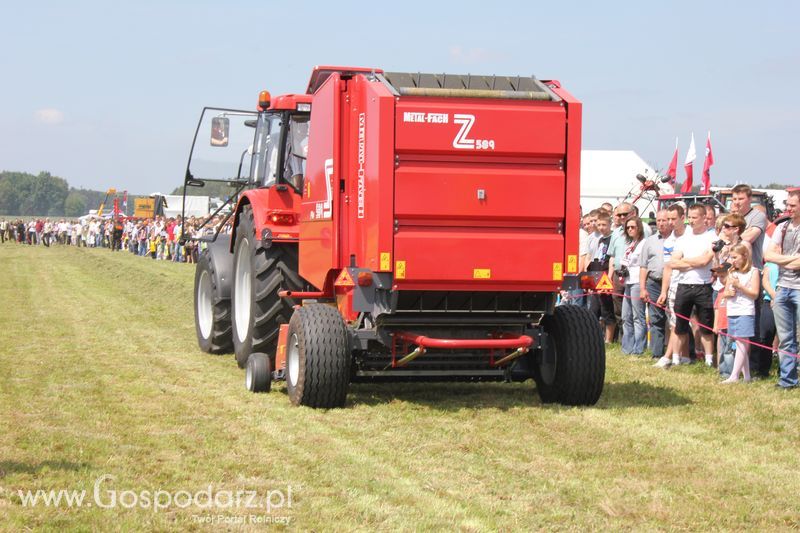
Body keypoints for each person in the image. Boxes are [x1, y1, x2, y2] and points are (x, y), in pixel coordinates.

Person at [667, 204, 717, 366]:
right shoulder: (682, 239)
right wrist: (695, 263)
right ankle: (676, 358)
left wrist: (685, 261)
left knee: (706, 326)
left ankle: (708, 360)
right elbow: (673, 263)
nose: (691, 221)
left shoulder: (711, 238)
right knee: (679, 325)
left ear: (704, 218)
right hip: (684, 285)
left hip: (703, 285)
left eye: (695, 217)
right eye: (690, 217)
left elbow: (705, 261)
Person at [764, 190, 800, 389]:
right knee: (786, 338)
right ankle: (788, 380)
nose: (788, 209)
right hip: (782, 287)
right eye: (787, 205)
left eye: (793, 205)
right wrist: (791, 260)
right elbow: (768, 256)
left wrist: (781, 259)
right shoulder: (782, 227)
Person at [721, 244, 760, 383]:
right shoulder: (732, 272)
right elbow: (725, 293)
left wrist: (740, 287)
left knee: (742, 342)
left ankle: (734, 375)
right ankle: (747, 376)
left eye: (735, 257)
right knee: (738, 342)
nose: (733, 261)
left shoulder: (753, 272)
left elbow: (754, 294)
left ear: (744, 256)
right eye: (731, 258)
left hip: (745, 310)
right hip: (733, 310)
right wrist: (729, 293)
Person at [613, 216, 647, 354]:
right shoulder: (631, 243)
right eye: (628, 227)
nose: (630, 229)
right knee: (626, 316)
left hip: (637, 281)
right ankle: (627, 347)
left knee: (637, 317)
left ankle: (639, 348)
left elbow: (643, 264)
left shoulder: (643, 243)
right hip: (627, 281)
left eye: (633, 227)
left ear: (639, 228)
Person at [639, 210, 670, 358]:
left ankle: (681, 354)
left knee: (676, 319)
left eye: (664, 220)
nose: (661, 223)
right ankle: (657, 353)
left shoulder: (677, 239)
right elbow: (643, 266)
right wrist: (642, 288)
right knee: (655, 318)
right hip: (654, 283)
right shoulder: (650, 241)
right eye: (658, 221)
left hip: (673, 283)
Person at [587, 211, 615, 343]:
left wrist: (609, 277)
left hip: (605, 274)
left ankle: (609, 339)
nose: (601, 228)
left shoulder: (612, 238)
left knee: (606, 308)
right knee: (594, 308)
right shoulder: (600, 240)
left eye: (604, 225)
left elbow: (612, 260)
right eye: (599, 225)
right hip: (596, 274)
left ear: (610, 224)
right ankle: (596, 337)